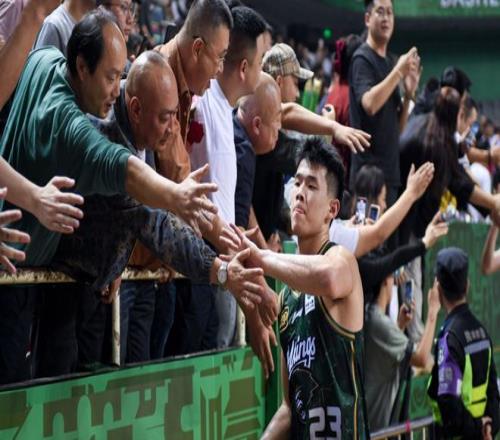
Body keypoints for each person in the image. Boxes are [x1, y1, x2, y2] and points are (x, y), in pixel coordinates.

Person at [0, 9, 221, 384]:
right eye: (109, 77)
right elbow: (125, 172)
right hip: (13, 278)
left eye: (121, 76)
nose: (116, 89)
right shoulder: (73, 126)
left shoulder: (42, 59)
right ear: (81, 66)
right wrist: (176, 196)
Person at [246, 137, 368, 438]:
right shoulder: (286, 297)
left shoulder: (341, 260)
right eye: (297, 182)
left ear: (332, 209)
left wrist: (262, 257)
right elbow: (289, 408)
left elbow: (327, 279)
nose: (299, 192)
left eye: (312, 186)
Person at [188, 5, 268, 349]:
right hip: (199, 263)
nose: (263, 70)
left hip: (220, 262)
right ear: (245, 67)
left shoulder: (226, 112)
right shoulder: (201, 103)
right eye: (261, 61)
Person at [363, 218, 446, 431]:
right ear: (385, 281)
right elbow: (420, 358)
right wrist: (432, 312)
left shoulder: (370, 315)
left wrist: (399, 326)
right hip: (375, 429)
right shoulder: (377, 321)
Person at [349, 0, 421, 208]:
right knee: (368, 229)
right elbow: (370, 104)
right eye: (380, 12)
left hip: (390, 174)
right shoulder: (362, 58)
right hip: (368, 177)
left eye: (390, 13)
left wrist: (409, 94)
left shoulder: (389, 62)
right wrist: (398, 72)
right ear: (367, 18)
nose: (386, 18)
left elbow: (398, 129)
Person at [427, 247, 499, 439]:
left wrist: (477, 426)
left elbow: (448, 405)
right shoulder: (482, 332)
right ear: (467, 286)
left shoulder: (449, 338)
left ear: (438, 289)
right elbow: (493, 393)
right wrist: (488, 425)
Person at [234, 72, 282, 230]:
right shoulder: (243, 153)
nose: (280, 127)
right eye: (277, 120)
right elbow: (238, 231)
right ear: (256, 125)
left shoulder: (232, 119)